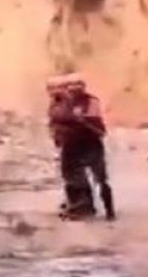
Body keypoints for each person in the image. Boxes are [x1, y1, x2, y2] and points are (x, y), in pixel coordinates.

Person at [47, 73, 115, 221]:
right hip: (74, 143)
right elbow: (58, 123)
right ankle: (81, 206)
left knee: (96, 178)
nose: (73, 89)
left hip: (87, 142)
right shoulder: (62, 103)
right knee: (75, 177)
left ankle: (101, 209)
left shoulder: (85, 102)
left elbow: (88, 121)